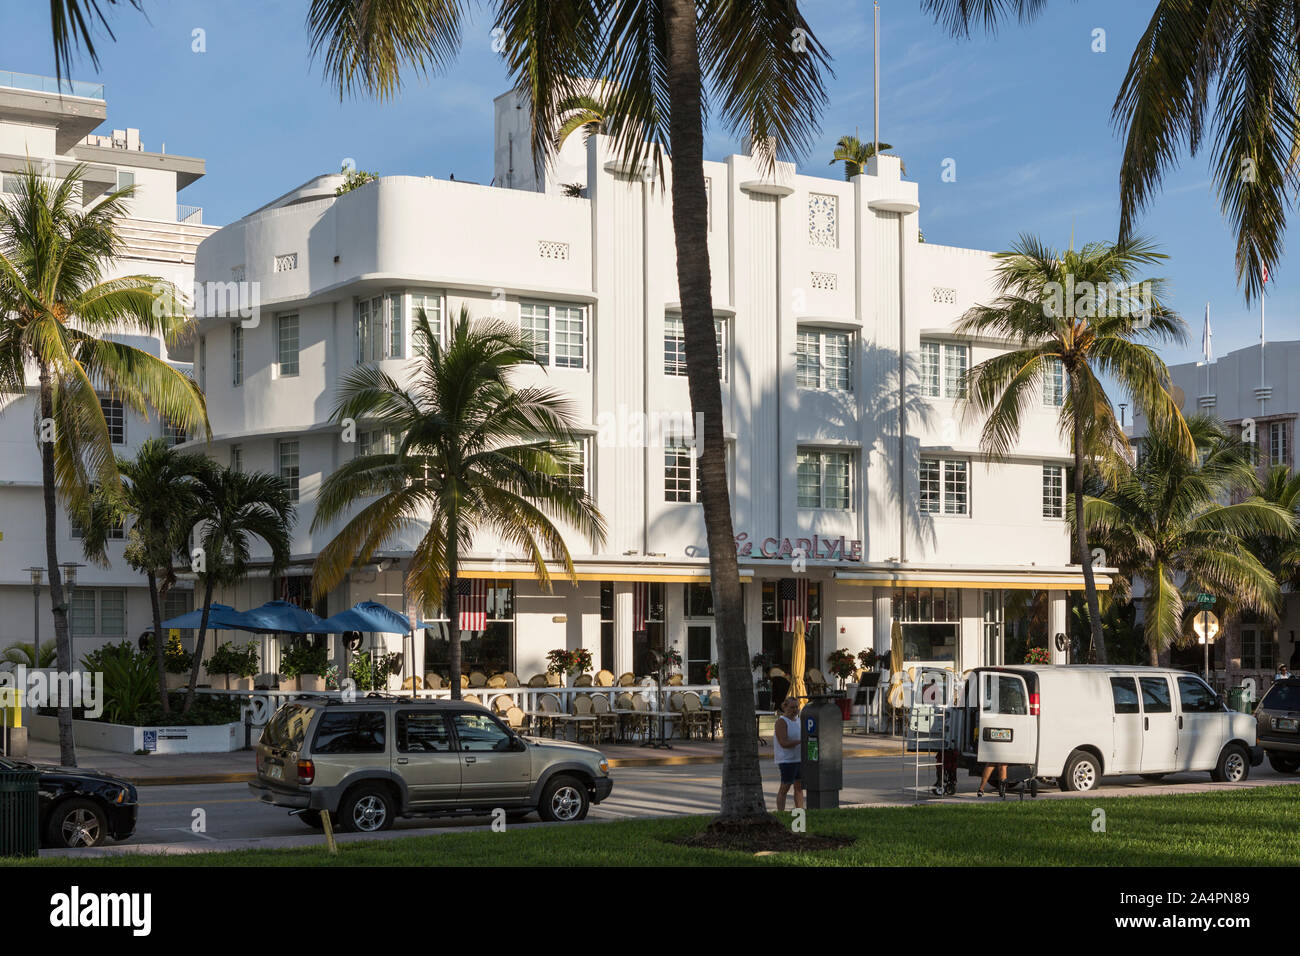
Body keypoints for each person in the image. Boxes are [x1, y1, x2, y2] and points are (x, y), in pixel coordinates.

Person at [774, 696, 804, 811]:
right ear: (785, 707)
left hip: (799, 759)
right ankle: (781, 813)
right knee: (785, 787)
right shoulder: (781, 722)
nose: (795, 710)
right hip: (787, 760)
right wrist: (801, 742)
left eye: (797, 707)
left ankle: (800, 812)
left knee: (799, 788)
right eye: (792, 707)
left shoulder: (799, 720)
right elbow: (783, 743)